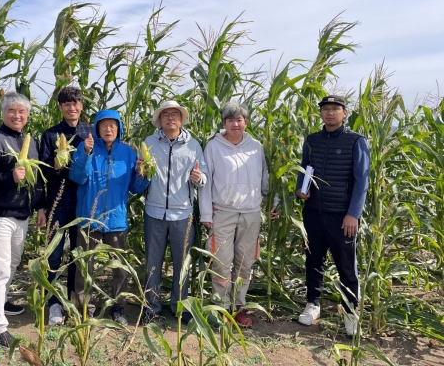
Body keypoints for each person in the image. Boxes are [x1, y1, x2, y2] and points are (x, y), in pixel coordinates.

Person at [295, 95, 369, 337]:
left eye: (335, 109)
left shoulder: (355, 141)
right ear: (320, 113)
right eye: (326, 109)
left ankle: (350, 312)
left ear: (344, 113)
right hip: (314, 213)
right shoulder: (312, 140)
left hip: (342, 217)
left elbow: (361, 182)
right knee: (313, 261)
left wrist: (353, 215)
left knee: (347, 266)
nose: (330, 113)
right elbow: (305, 168)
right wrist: (300, 189)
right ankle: (313, 304)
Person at [199, 102, 278, 329]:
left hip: (251, 214)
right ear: (224, 123)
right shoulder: (213, 147)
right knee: (221, 263)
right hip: (222, 212)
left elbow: (264, 179)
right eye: (230, 120)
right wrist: (206, 214)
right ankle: (220, 307)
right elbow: (206, 182)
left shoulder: (255, 147)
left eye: (239, 119)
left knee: (245, 263)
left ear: (246, 122)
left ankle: (238, 306)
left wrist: (274, 202)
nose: (235, 124)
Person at [69, 109, 150, 326]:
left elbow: (135, 187)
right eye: (103, 125)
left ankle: (118, 307)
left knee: (119, 267)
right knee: (85, 265)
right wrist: (85, 155)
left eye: (112, 125)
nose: (108, 129)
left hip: (116, 219)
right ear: (97, 128)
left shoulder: (128, 153)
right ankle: (84, 307)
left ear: (119, 128)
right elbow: (76, 176)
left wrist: (145, 174)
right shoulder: (86, 148)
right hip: (89, 218)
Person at [0, 92, 44, 348]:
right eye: (12, 111)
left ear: (27, 115)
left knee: (13, 264)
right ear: (3, 113)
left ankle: (2, 302)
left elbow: (38, 179)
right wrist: (10, 177)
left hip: (22, 215)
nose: (17, 116)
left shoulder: (30, 141)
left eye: (22, 112)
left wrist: (40, 206)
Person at [142, 100, 208, 325]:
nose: (170, 118)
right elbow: (141, 171)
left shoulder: (194, 146)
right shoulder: (149, 142)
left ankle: (180, 307)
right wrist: (141, 169)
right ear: (159, 119)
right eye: (166, 114)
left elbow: (204, 174)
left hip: (183, 215)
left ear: (181, 119)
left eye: (175, 114)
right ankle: (151, 307)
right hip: (154, 212)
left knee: (182, 265)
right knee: (153, 263)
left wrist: (200, 179)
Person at [38, 86, 93, 325]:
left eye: (76, 103)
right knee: (53, 257)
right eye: (67, 104)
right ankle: (53, 304)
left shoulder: (91, 133)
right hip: (58, 203)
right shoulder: (50, 135)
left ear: (81, 105)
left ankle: (75, 300)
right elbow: (42, 173)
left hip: (84, 203)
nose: (72, 108)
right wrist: (57, 165)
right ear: (60, 108)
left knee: (78, 257)